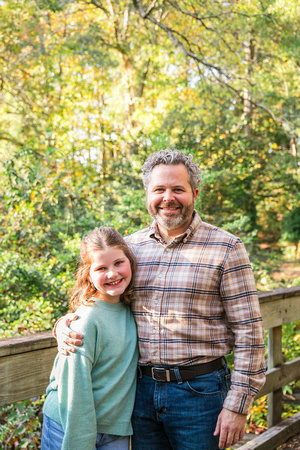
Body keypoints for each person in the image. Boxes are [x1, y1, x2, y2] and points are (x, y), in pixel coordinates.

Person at [54, 150, 266, 450]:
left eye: (178, 189)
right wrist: (63, 324)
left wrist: (237, 406)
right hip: (139, 392)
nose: (169, 198)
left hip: (200, 393)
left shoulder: (227, 248)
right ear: (147, 194)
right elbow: (99, 297)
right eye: (160, 190)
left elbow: (250, 333)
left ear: (193, 193)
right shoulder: (129, 248)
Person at [41, 227, 139, 450]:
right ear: (88, 274)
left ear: (130, 262)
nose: (112, 274)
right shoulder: (85, 320)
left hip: (114, 429)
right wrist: (80, 441)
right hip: (69, 425)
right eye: (101, 268)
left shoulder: (131, 308)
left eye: (118, 263)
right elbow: (75, 391)